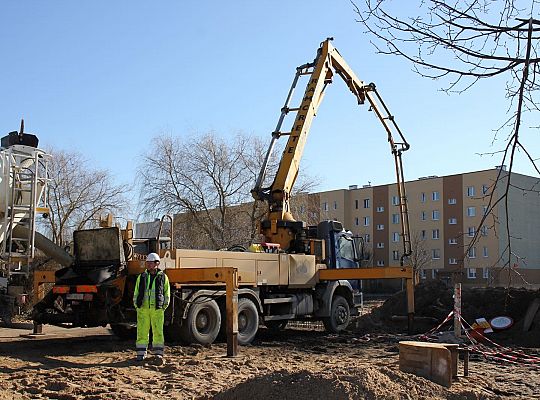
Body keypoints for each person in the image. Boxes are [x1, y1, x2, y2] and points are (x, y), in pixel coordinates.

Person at [133, 252, 170, 364]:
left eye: (151, 263)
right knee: (142, 332)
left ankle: (158, 354)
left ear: (157, 263)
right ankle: (141, 354)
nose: (148, 265)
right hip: (143, 309)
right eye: (147, 262)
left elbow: (166, 292)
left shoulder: (163, 277)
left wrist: (163, 306)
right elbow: (136, 292)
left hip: (157, 310)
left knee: (158, 331)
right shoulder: (142, 277)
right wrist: (137, 306)